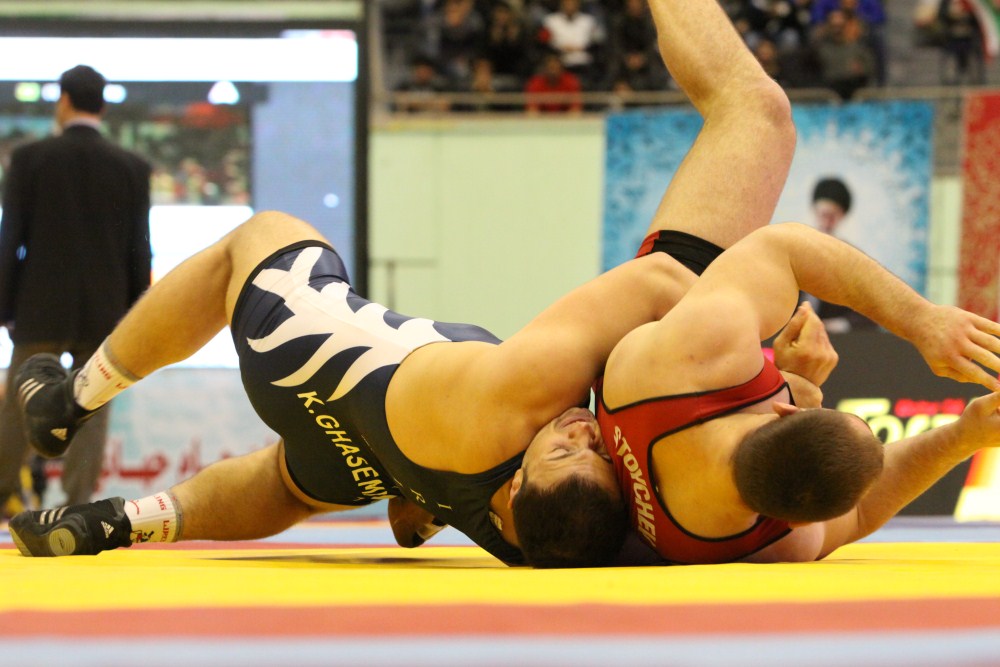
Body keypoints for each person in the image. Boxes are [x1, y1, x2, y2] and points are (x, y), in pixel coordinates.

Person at [9, 0, 801, 567]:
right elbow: (823, 505)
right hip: (362, 461)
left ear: (516, 491)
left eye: (567, 449)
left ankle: (69, 400)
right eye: (590, 446)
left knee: (262, 235)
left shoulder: (523, 397)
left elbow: (662, 280)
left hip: (305, 350)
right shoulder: (561, 536)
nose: (581, 431)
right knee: (292, 484)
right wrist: (790, 390)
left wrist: (759, 334)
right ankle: (124, 519)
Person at [579, 221, 1000, 566]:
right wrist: (964, 436)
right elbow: (857, 514)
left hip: (649, 317)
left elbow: (786, 247)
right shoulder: (772, 547)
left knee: (759, 130)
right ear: (795, 521)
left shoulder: (695, 358)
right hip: (660, 350)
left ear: (786, 411)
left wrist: (921, 320)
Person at [0, 65, 151, 515]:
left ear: (63, 101)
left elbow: (11, 239)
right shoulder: (132, 167)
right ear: (102, 107)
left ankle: (2, 493)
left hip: (39, 307)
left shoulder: (29, 159)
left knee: (19, 403)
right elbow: (139, 249)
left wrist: (5, 306)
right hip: (105, 312)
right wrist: (136, 317)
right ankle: (77, 504)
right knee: (92, 405)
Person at [806, 177, 875, 331]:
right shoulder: (797, 249)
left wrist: (838, 325)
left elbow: (871, 311)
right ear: (814, 210)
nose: (825, 223)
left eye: (831, 216)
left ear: (842, 215)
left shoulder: (852, 258)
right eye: (822, 214)